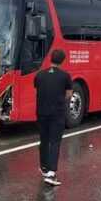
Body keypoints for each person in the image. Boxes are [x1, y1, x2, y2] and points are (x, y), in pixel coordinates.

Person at [34, 48, 73, 186]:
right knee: (55, 141)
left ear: (51, 59)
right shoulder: (65, 76)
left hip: (41, 112)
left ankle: (44, 168)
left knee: (43, 140)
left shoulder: (40, 75)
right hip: (57, 113)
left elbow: (37, 88)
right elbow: (69, 94)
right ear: (63, 60)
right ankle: (51, 173)